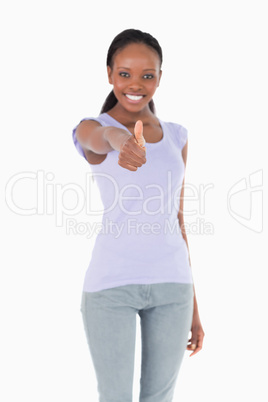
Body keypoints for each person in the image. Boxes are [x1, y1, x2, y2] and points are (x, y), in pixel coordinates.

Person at [72, 28, 205, 402]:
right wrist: (120, 140)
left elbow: (177, 220)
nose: (136, 84)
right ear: (110, 74)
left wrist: (194, 308)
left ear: (160, 78)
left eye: (148, 75)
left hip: (173, 287)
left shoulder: (178, 136)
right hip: (111, 288)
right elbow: (95, 139)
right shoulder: (93, 128)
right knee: (115, 397)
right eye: (125, 73)